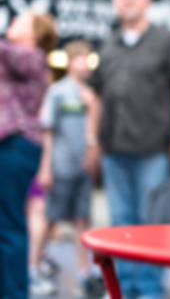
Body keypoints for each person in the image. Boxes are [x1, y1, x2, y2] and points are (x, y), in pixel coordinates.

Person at [86, 0, 170, 299]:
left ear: (148, 2)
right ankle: (122, 288)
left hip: (154, 147)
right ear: (115, 5)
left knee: (151, 224)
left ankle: (149, 291)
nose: (128, 1)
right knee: (120, 222)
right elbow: (95, 95)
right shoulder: (108, 46)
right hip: (112, 148)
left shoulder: (166, 40)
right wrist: (92, 141)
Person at [32, 40, 104, 298]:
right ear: (70, 61)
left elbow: (95, 133)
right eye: (79, 58)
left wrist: (93, 106)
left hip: (83, 168)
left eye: (88, 58)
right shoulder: (58, 92)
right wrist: (46, 167)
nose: (84, 64)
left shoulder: (93, 94)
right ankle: (33, 265)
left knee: (82, 219)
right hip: (61, 166)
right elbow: (48, 132)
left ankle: (85, 271)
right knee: (52, 216)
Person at [0, 12, 57, 299]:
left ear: (34, 34)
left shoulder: (31, 56)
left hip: (15, 145)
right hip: (13, 146)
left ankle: (14, 293)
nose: (12, 22)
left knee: (9, 225)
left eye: (20, 20)